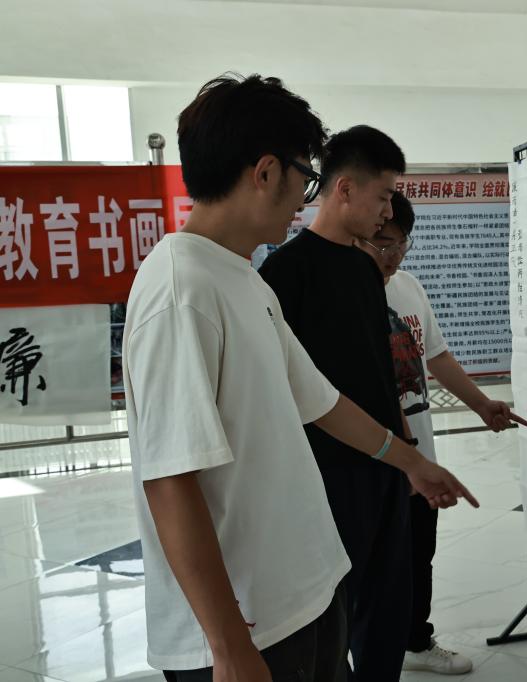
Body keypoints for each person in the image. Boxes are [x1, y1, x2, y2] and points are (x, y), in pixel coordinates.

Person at [124, 76, 476, 682]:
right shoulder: (181, 291)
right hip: (248, 628)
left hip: (305, 593)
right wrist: (228, 646)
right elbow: (170, 482)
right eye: (305, 178)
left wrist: (411, 463)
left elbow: (322, 401)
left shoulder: (243, 279)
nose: (305, 198)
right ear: (265, 172)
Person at [259, 126, 425, 682]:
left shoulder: (363, 270)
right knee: (331, 612)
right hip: (325, 474)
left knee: (389, 605)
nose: (388, 212)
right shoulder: (284, 274)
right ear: (346, 189)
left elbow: (381, 371)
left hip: (383, 465)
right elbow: (283, 392)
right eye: (383, 197)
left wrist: (405, 454)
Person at [357, 191, 527, 675]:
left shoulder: (409, 287)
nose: (392, 256)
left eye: (400, 244)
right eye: (382, 243)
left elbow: (436, 356)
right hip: (374, 457)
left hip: (421, 457)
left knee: (419, 554)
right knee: (373, 568)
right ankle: (366, 656)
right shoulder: (346, 296)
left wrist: (481, 404)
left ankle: (416, 640)